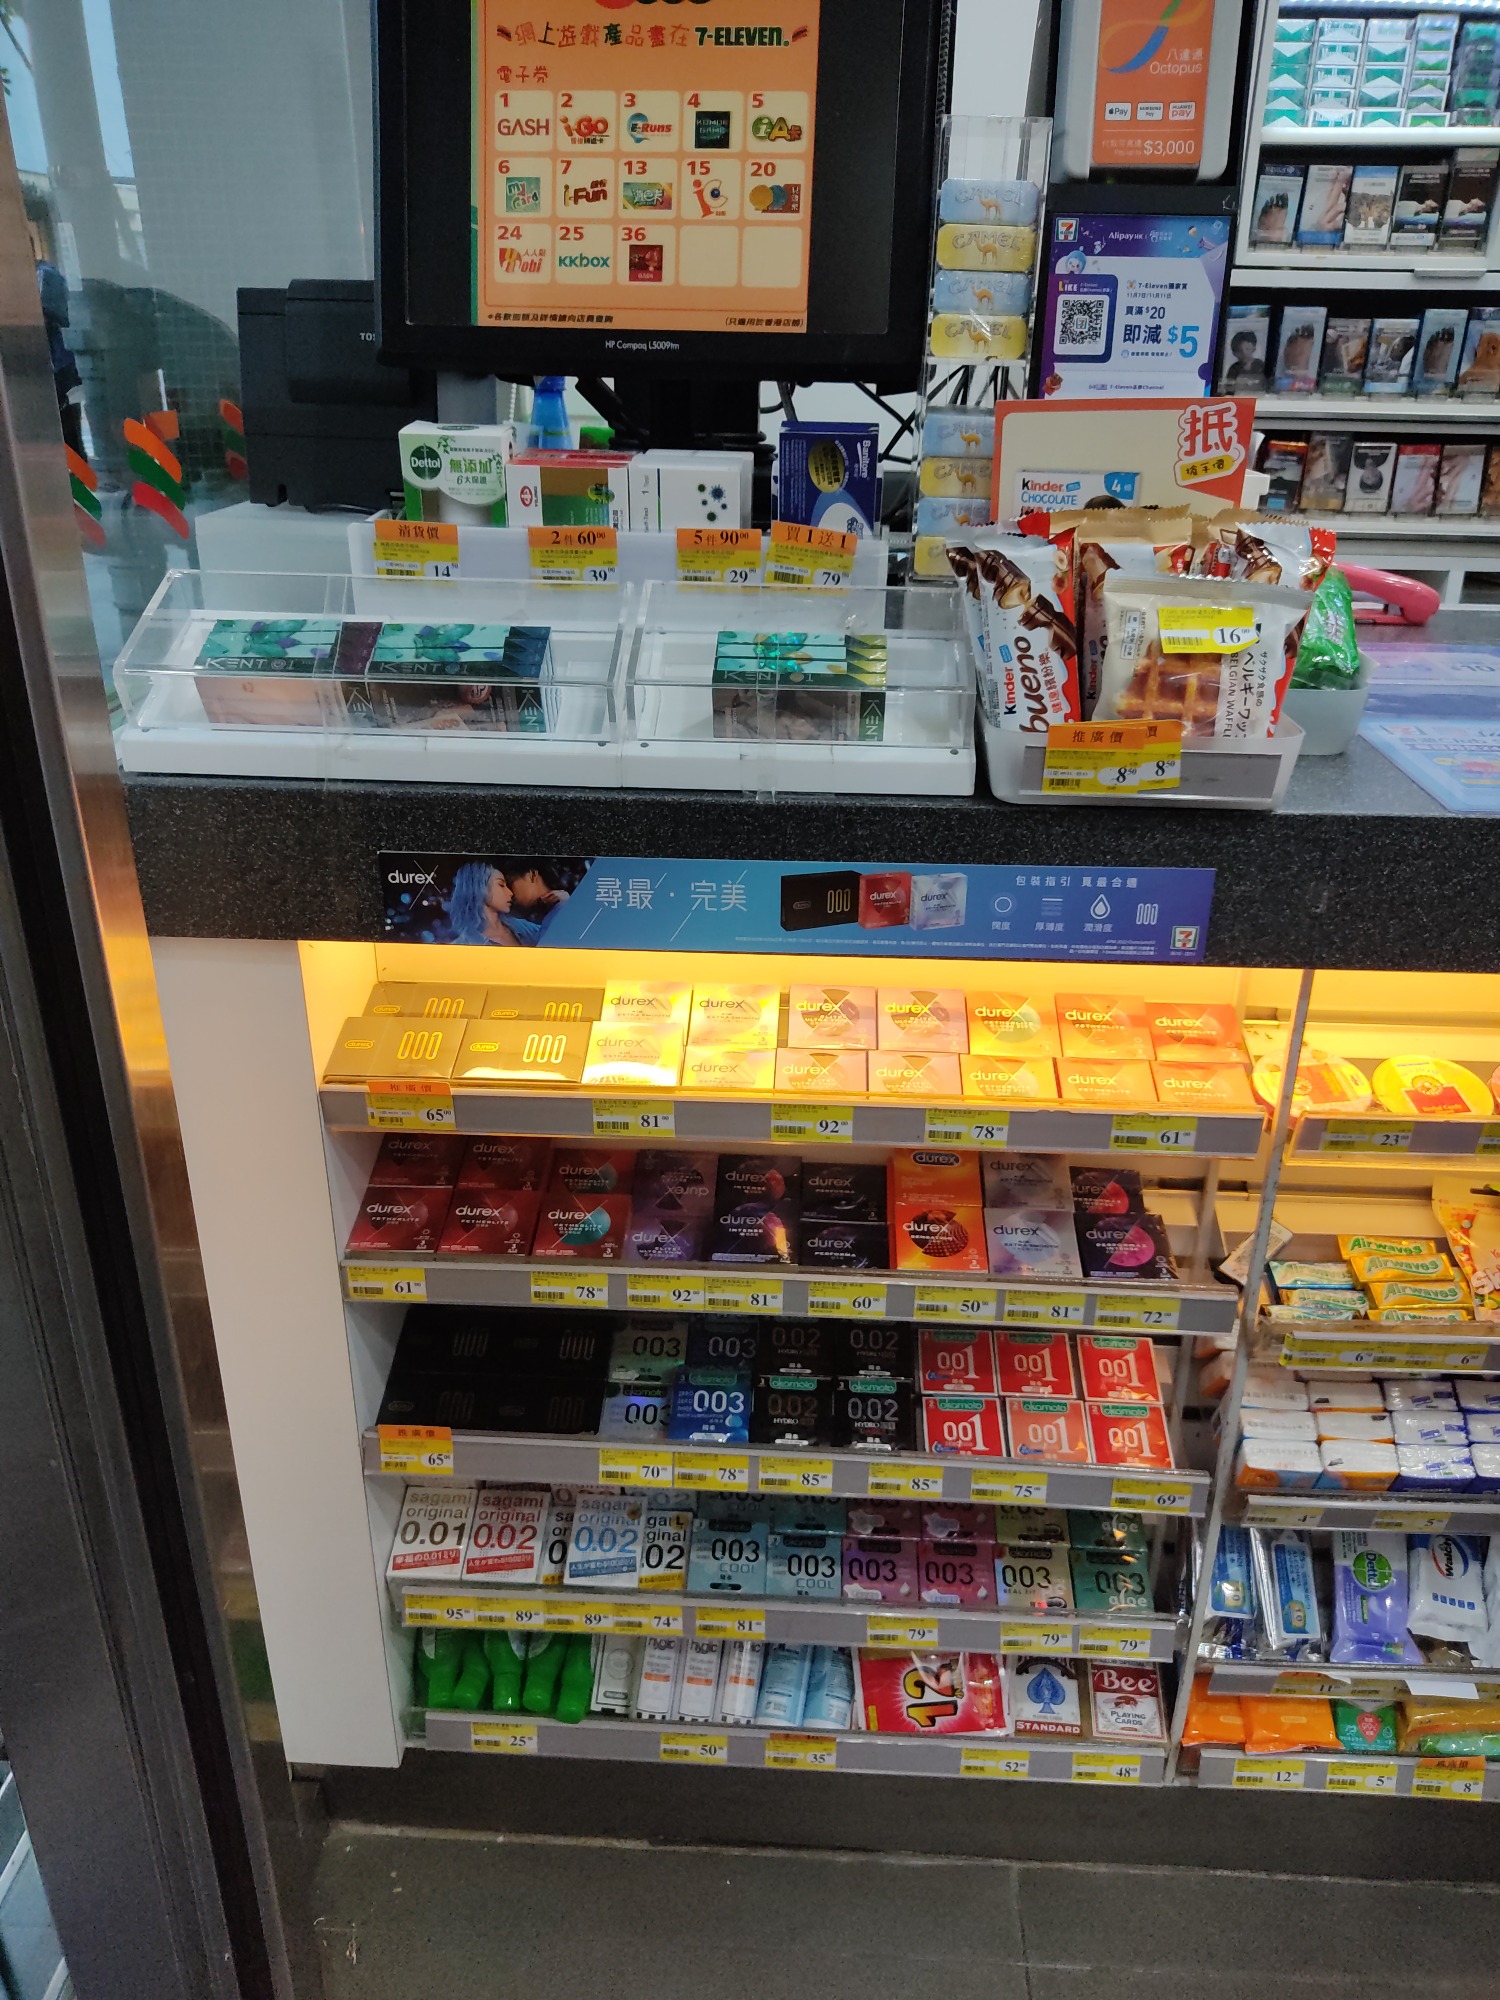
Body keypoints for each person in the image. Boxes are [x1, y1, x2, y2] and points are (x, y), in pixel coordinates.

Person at [33, 239, 83, 456]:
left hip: (58, 367)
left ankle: (76, 471)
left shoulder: (44, 275)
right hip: (52, 365)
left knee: (67, 431)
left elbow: (45, 317)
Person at [444, 862, 523, 947]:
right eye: (501, 885)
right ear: (479, 888)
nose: (510, 893)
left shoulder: (522, 926)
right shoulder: (462, 945)